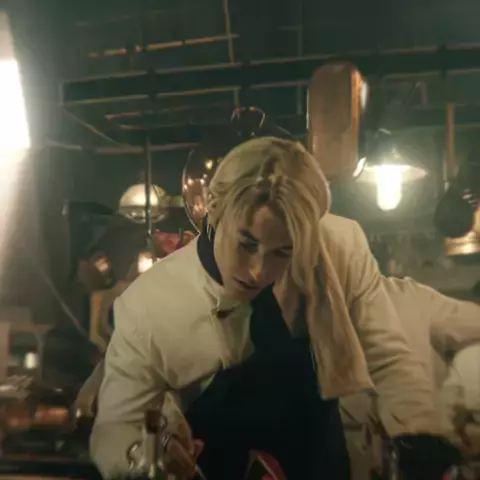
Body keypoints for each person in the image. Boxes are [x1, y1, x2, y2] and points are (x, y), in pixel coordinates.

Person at [91, 137, 457, 480]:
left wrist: (419, 434)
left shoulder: (338, 247)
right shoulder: (148, 305)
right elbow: (113, 429)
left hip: (320, 458)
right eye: (246, 244)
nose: (259, 271)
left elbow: (386, 351)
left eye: (283, 252)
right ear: (214, 209)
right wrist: (146, 452)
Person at [340, 276, 480, 479]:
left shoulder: (320, 308)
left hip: (363, 442)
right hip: (421, 432)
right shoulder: (409, 293)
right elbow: (471, 321)